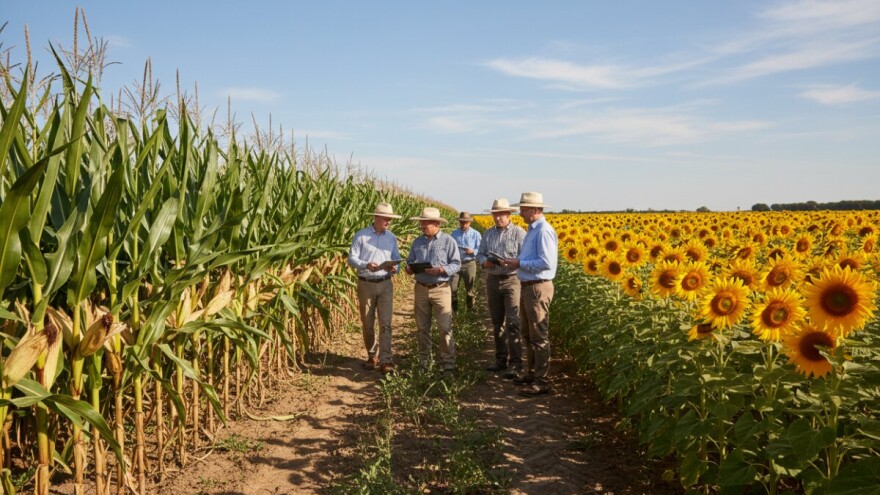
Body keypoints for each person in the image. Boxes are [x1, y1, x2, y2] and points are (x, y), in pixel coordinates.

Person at [501, 192, 558, 397]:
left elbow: (546, 263)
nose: (521, 212)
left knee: (539, 335)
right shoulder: (532, 230)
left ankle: (542, 381)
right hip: (528, 286)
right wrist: (518, 261)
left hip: (538, 287)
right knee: (528, 333)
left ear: (535, 210)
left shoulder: (543, 231)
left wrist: (519, 263)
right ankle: (532, 373)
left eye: (524, 209)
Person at [405, 207, 461, 375]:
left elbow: (456, 264)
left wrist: (441, 270)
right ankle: (424, 362)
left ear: (436, 224)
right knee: (422, 328)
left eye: (425, 223)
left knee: (444, 328)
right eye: (421, 223)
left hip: (441, 289)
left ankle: (448, 364)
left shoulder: (448, 241)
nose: (422, 226)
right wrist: (409, 268)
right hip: (421, 288)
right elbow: (410, 261)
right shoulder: (417, 242)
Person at [347, 202, 403, 374]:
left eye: (390, 219)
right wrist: (366, 265)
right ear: (376, 217)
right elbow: (351, 259)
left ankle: (386, 359)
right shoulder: (361, 236)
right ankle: (372, 355)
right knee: (368, 323)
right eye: (386, 219)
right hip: (366, 284)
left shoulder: (391, 237)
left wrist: (395, 268)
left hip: (386, 284)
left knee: (385, 324)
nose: (388, 222)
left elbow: (397, 258)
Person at [476, 199, 526, 378]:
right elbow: (480, 253)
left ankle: (516, 362)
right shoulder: (488, 234)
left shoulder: (519, 233)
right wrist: (484, 262)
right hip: (493, 279)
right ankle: (500, 359)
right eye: (495, 214)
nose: (497, 218)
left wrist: (513, 262)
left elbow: (524, 256)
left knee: (513, 322)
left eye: (501, 214)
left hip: (512, 280)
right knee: (497, 322)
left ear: (508, 214)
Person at [450, 211, 481, 312]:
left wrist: (473, 251)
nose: (464, 224)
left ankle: (470, 310)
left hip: (469, 263)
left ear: (469, 222)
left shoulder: (476, 234)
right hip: (456, 264)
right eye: (462, 222)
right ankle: (455, 311)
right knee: (453, 288)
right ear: (459, 222)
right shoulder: (454, 234)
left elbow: (481, 249)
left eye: (466, 222)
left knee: (470, 288)